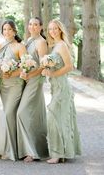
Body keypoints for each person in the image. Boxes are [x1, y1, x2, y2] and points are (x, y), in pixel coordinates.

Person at [42, 19, 81, 164]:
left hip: (62, 87)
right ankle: (60, 152)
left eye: (55, 29)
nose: (52, 31)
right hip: (55, 87)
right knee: (58, 118)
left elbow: (69, 67)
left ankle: (57, 154)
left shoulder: (62, 45)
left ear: (60, 30)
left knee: (53, 118)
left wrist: (51, 74)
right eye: (50, 29)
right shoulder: (54, 46)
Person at [17, 17, 49, 162]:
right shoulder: (28, 40)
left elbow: (42, 65)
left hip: (35, 81)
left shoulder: (41, 42)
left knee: (22, 112)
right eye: (30, 24)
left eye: (36, 24)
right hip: (27, 80)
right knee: (33, 115)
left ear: (41, 27)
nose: (32, 27)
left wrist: (29, 74)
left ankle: (31, 151)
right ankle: (36, 148)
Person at [0, 20, 26, 160]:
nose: (7, 32)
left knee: (9, 113)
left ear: (14, 31)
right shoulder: (1, 45)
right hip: (3, 85)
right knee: (8, 115)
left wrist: (12, 73)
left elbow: (26, 66)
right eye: (4, 29)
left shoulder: (19, 46)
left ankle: (13, 150)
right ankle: (11, 147)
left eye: (9, 29)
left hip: (15, 84)